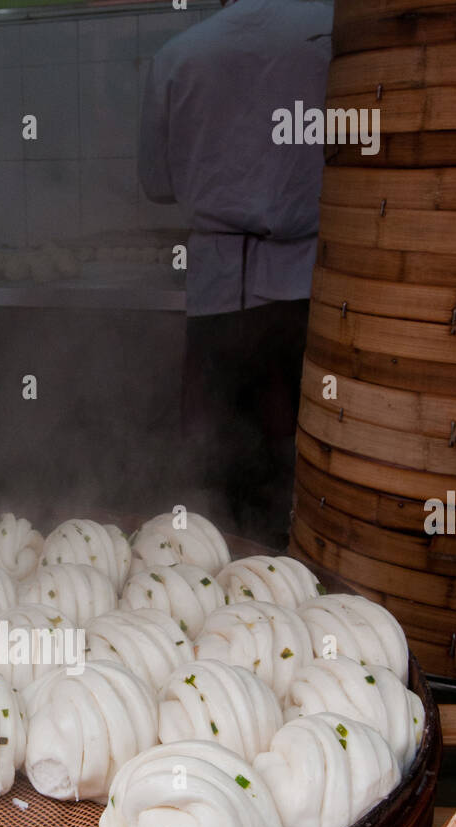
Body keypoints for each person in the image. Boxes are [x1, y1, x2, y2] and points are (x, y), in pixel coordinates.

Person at [140, 0, 332, 548]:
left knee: (218, 465)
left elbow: (157, 183)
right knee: (307, 463)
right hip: (310, 292)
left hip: (220, 297)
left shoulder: (178, 56)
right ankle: (306, 585)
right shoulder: (331, 38)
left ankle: (222, 585)